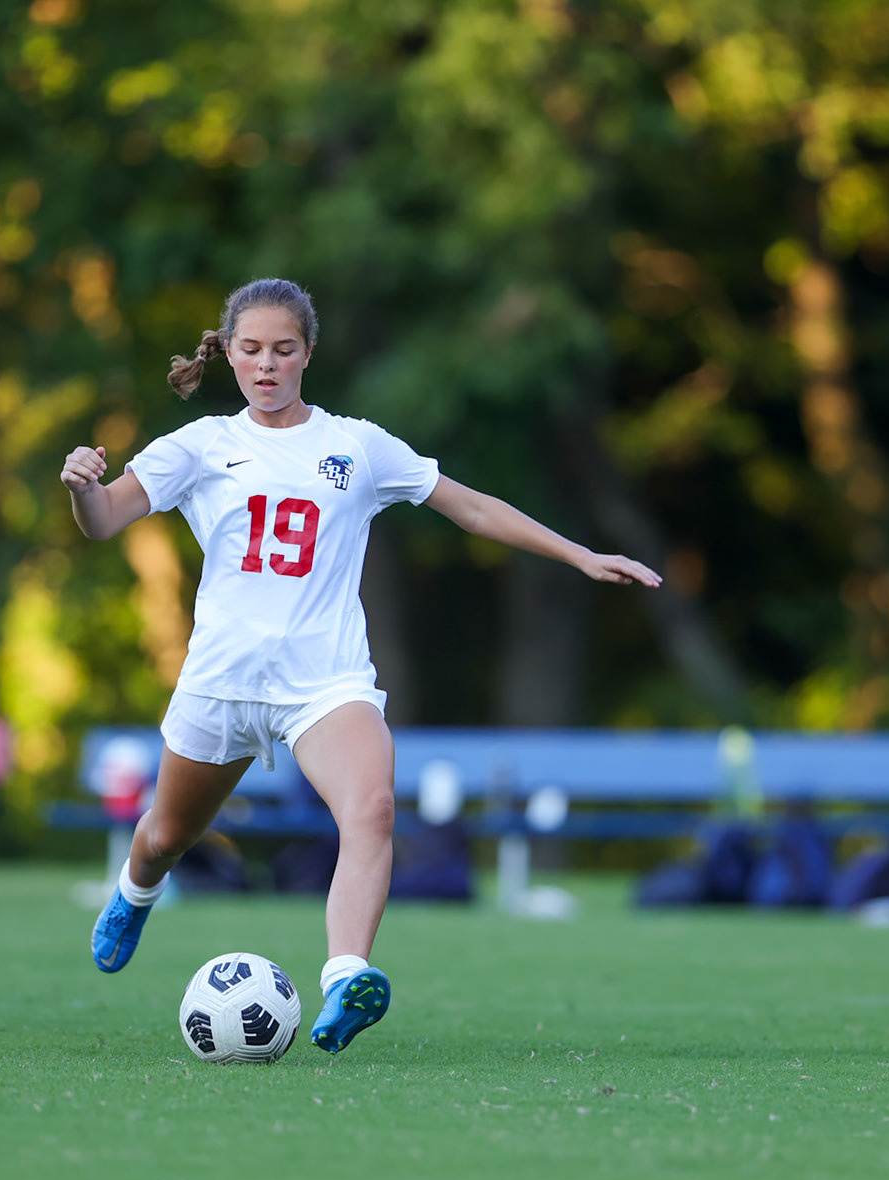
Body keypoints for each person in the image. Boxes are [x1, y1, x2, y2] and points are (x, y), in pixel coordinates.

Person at [59, 278, 659, 1054]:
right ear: (229, 355)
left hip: (325, 683)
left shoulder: (357, 446)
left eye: (282, 350)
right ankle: (135, 895)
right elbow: (105, 519)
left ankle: (346, 979)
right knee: (166, 837)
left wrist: (579, 554)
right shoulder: (200, 445)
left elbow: (470, 506)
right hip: (222, 682)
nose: (266, 365)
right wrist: (81, 486)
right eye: (250, 351)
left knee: (371, 810)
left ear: (308, 353)